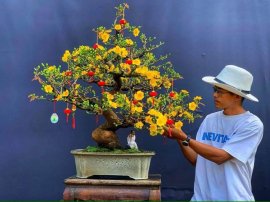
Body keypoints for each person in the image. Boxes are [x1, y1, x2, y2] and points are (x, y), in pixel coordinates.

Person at [163, 65, 264, 201]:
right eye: (215, 90)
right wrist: (179, 137)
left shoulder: (251, 124)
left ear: (236, 96)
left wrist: (183, 137)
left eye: (220, 92)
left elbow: (221, 157)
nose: (214, 95)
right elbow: (196, 159)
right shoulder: (210, 119)